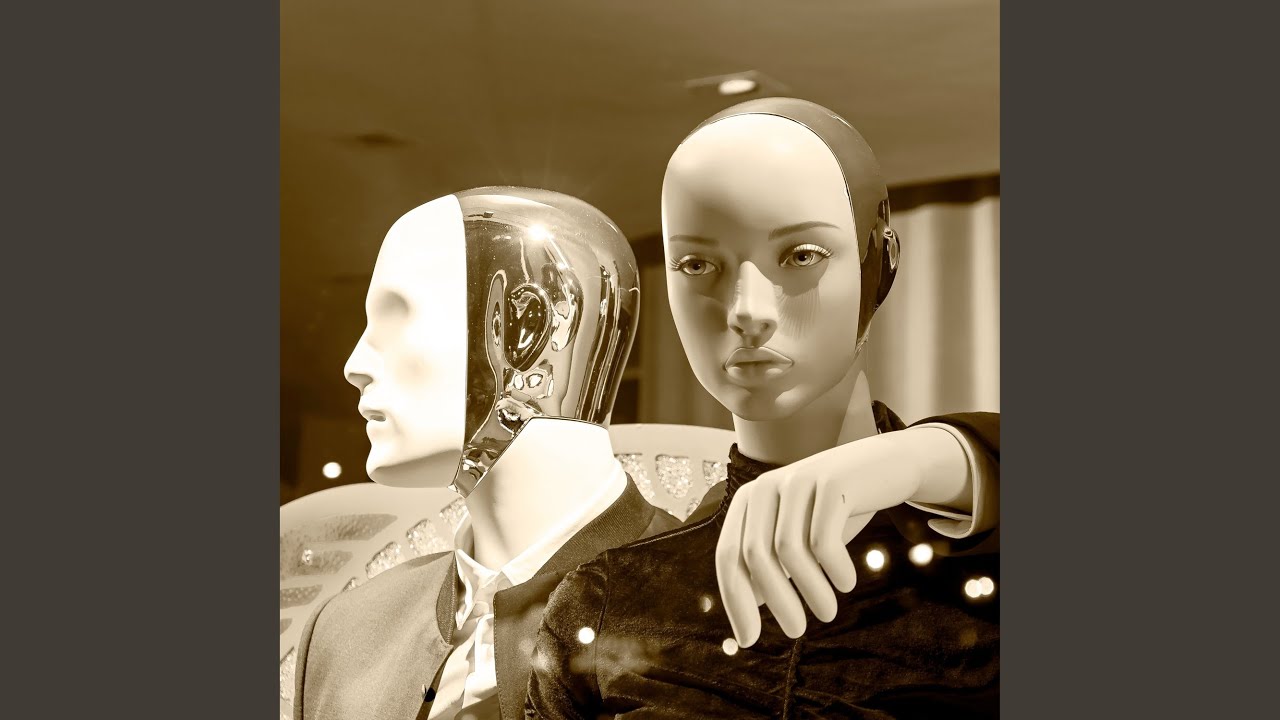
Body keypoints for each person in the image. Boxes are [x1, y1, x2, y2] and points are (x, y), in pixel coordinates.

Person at [293, 186, 996, 720]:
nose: (356, 364)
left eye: (395, 320)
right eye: (699, 266)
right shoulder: (348, 629)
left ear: (527, 330)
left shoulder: (709, 609)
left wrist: (938, 453)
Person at [525, 99, 999, 719]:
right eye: (697, 264)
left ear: (878, 264)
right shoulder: (608, 603)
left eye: (802, 255)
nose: (747, 310)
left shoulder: (980, 572)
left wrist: (938, 456)